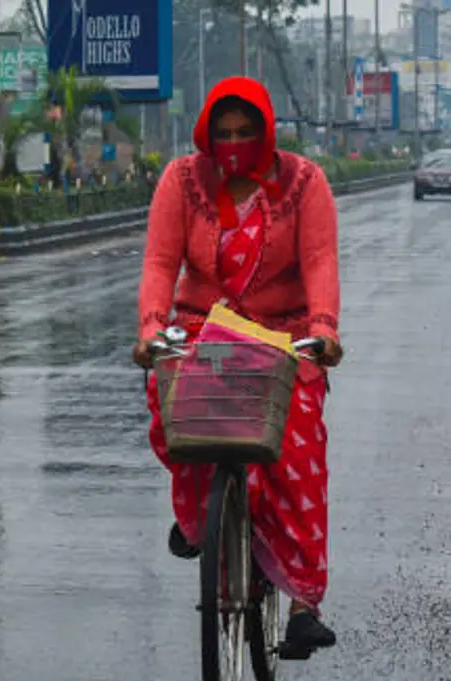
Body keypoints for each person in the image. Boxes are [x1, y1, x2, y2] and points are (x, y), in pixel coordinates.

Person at [132, 76, 344, 652]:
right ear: (206, 134)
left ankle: (301, 601)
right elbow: (159, 262)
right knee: (174, 408)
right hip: (206, 329)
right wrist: (151, 328)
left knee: (297, 441)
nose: (233, 143)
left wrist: (324, 330)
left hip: (283, 336)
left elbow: (320, 261)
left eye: (245, 132)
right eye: (222, 133)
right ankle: (203, 518)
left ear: (266, 132)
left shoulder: (303, 183)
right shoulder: (181, 181)